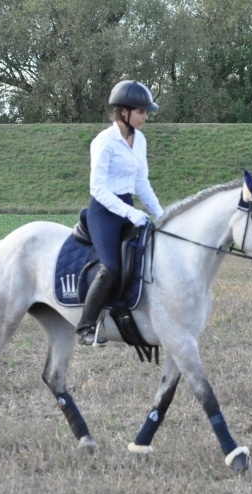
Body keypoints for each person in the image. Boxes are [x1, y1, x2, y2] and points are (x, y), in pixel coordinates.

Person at [76, 80, 164, 346]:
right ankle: (86, 326)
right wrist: (130, 212)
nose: (145, 117)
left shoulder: (140, 140)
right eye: (141, 112)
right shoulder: (104, 141)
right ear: (124, 112)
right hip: (104, 211)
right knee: (111, 267)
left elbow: (141, 183)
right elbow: (98, 188)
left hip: (127, 207)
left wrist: (161, 213)